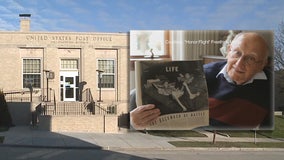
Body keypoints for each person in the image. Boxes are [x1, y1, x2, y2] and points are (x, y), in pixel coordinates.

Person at [130, 32, 272, 130]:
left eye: (251, 58)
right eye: (237, 53)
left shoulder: (272, 87)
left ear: (262, 64)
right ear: (229, 51)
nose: (239, 64)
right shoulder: (201, 74)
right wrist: (133, 122)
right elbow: (135, 98)